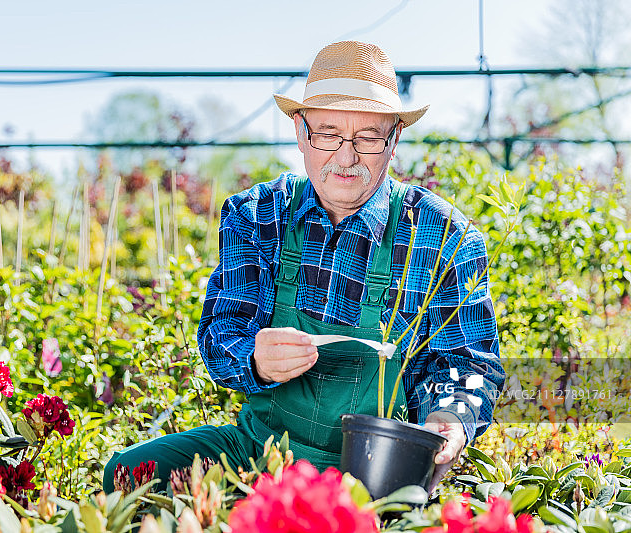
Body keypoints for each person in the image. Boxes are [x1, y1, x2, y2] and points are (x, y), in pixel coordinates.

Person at [103, 41, 504, 493]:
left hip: (374, 475)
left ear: (394, 139)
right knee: (127, 474)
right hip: (257, 455)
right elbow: (220, 338)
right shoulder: (257, 215)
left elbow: (468, 361)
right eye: (328, 132)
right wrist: (254, 357)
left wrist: (449, 419)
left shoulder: (445, 235)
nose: (346, 156)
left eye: (368, 137)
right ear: (300, 131)